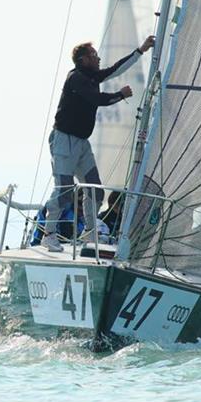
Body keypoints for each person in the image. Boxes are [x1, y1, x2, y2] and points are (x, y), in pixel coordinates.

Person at [41, 36, 155, 252]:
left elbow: (114, 70)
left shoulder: (91, 76)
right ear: (83, 60)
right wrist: (120, 95)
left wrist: (140, 50)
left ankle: (90, 234)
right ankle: (49, 235)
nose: (98, 58)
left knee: (95, 190)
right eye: (94, 56)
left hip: (82, 143)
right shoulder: (76, 78)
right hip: (64, 141)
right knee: (64, 191)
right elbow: (97, 100)